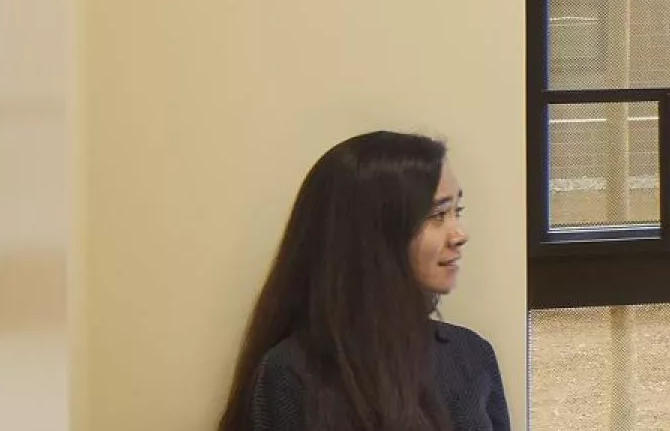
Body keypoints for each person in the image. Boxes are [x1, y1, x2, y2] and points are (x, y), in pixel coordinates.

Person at [217, 131, 511, 431]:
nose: (459, 235)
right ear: (374, 233)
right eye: (437, 215)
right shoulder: (293, 373)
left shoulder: (471, 355)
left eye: (456, 212)